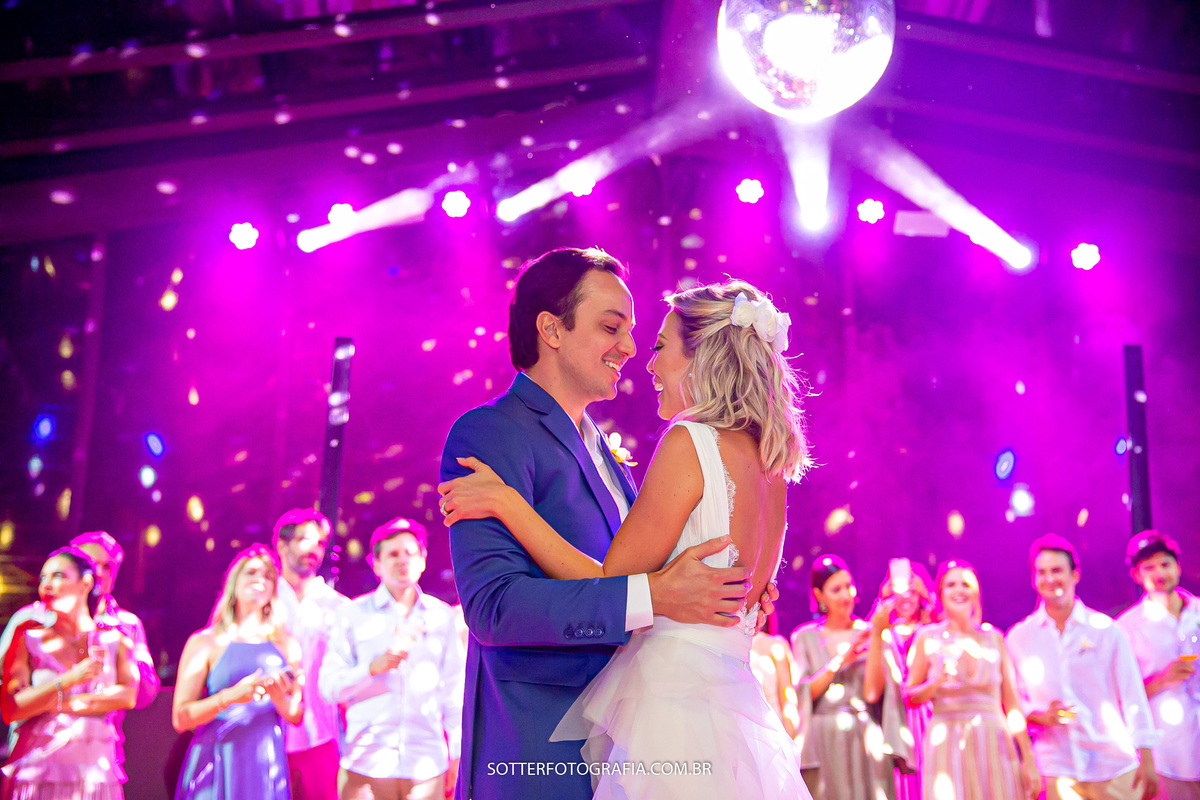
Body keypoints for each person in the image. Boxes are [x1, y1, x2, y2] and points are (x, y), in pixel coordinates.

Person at [437, 249, 777, 800]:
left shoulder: (611, 451)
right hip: (540, 747)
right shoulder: (491, 433)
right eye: (610, 327)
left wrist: (732, 577)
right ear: (550, 327)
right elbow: (494, 609)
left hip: (638, 740)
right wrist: (655, 597)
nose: (629, 348)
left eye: (634, 332)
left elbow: (642, 573)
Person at [1006, 534, 1159, 800]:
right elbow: (1014, 702)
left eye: (1057, 570)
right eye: (1041, 572)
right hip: (1055, 767)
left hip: (1112, 765)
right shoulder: (1019, 637)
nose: (1049, 578)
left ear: (1075, 575)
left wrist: (1146, 757)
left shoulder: (1106, 631)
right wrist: (1041, 716)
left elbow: (1133, 695)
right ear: (1033, 579)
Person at [321, 518, 465, 800]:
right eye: (393, 554)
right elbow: (328, 687)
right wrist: (371, 669)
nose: (403, 561)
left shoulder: (440, 616)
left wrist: (458, 752)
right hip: (365, 764)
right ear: (376, 564)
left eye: (410, 553)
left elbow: (453, 690)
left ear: (423, 560)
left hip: (426, 764)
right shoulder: (352, 614)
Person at [0, 531, 159, 766]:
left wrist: (124, 654)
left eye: (109, 567)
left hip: (96, 756)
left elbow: (143, 694)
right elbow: (8, 693)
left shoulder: (126, 625)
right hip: (35, 755)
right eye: (92, 565)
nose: (100, 573)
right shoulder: (30, 619)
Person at [173, 544, 303, 800]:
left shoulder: (287, 645)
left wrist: (279, 698)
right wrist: (230, 696)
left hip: (264, 760)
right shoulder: (205, 641)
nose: (260, 580)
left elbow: (296, 715)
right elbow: (180, 718)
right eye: (251, 572)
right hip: (217, 754)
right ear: (234, 582)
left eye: (267, 576)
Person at [904, 560, 1039, 800]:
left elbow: (1012, 705)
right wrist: (935, 683)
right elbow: (909, 696)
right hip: (947, 741)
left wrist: (1027, 759)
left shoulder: (994, 638)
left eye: (965, 584)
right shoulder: (927, 638)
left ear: (976, 592)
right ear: (941, 593)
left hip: (994, 741)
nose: (959, 590)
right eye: (951, 584)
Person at [791, 555, 911, 800]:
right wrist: (840, 662)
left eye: (848, 586)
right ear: (819, 595)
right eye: (836, 589)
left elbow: (872, 693)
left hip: (866, 737)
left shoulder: (870, 633)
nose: (846, 595)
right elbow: (802, 692)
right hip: (824, 738)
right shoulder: (804, 637)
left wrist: (876, 632)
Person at [1116, 531, 1200, 800]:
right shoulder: (1126, 628)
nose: (1159, 572)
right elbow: (1121, 696)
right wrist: (1163, 678)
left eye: (1165, 564)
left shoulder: (1197, 611)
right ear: (1137, 575)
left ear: (1177, 566)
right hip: (1168, 755)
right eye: (1149, 567)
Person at [272, 508, 349, 800]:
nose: (314, 549)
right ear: (281, 545)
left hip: (321, 738)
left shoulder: (339, 607)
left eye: (320, 543)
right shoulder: (260, 600)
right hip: (265, 734)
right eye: (305, 539)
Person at [864, 559, 935, 800]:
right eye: (900, 592)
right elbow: (871, 689)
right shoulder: (885, 634)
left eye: (913, 592)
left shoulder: (932, 630)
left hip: (933, 718)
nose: (906, 598)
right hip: (897, 721)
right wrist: (880, 605)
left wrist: (931, 600)